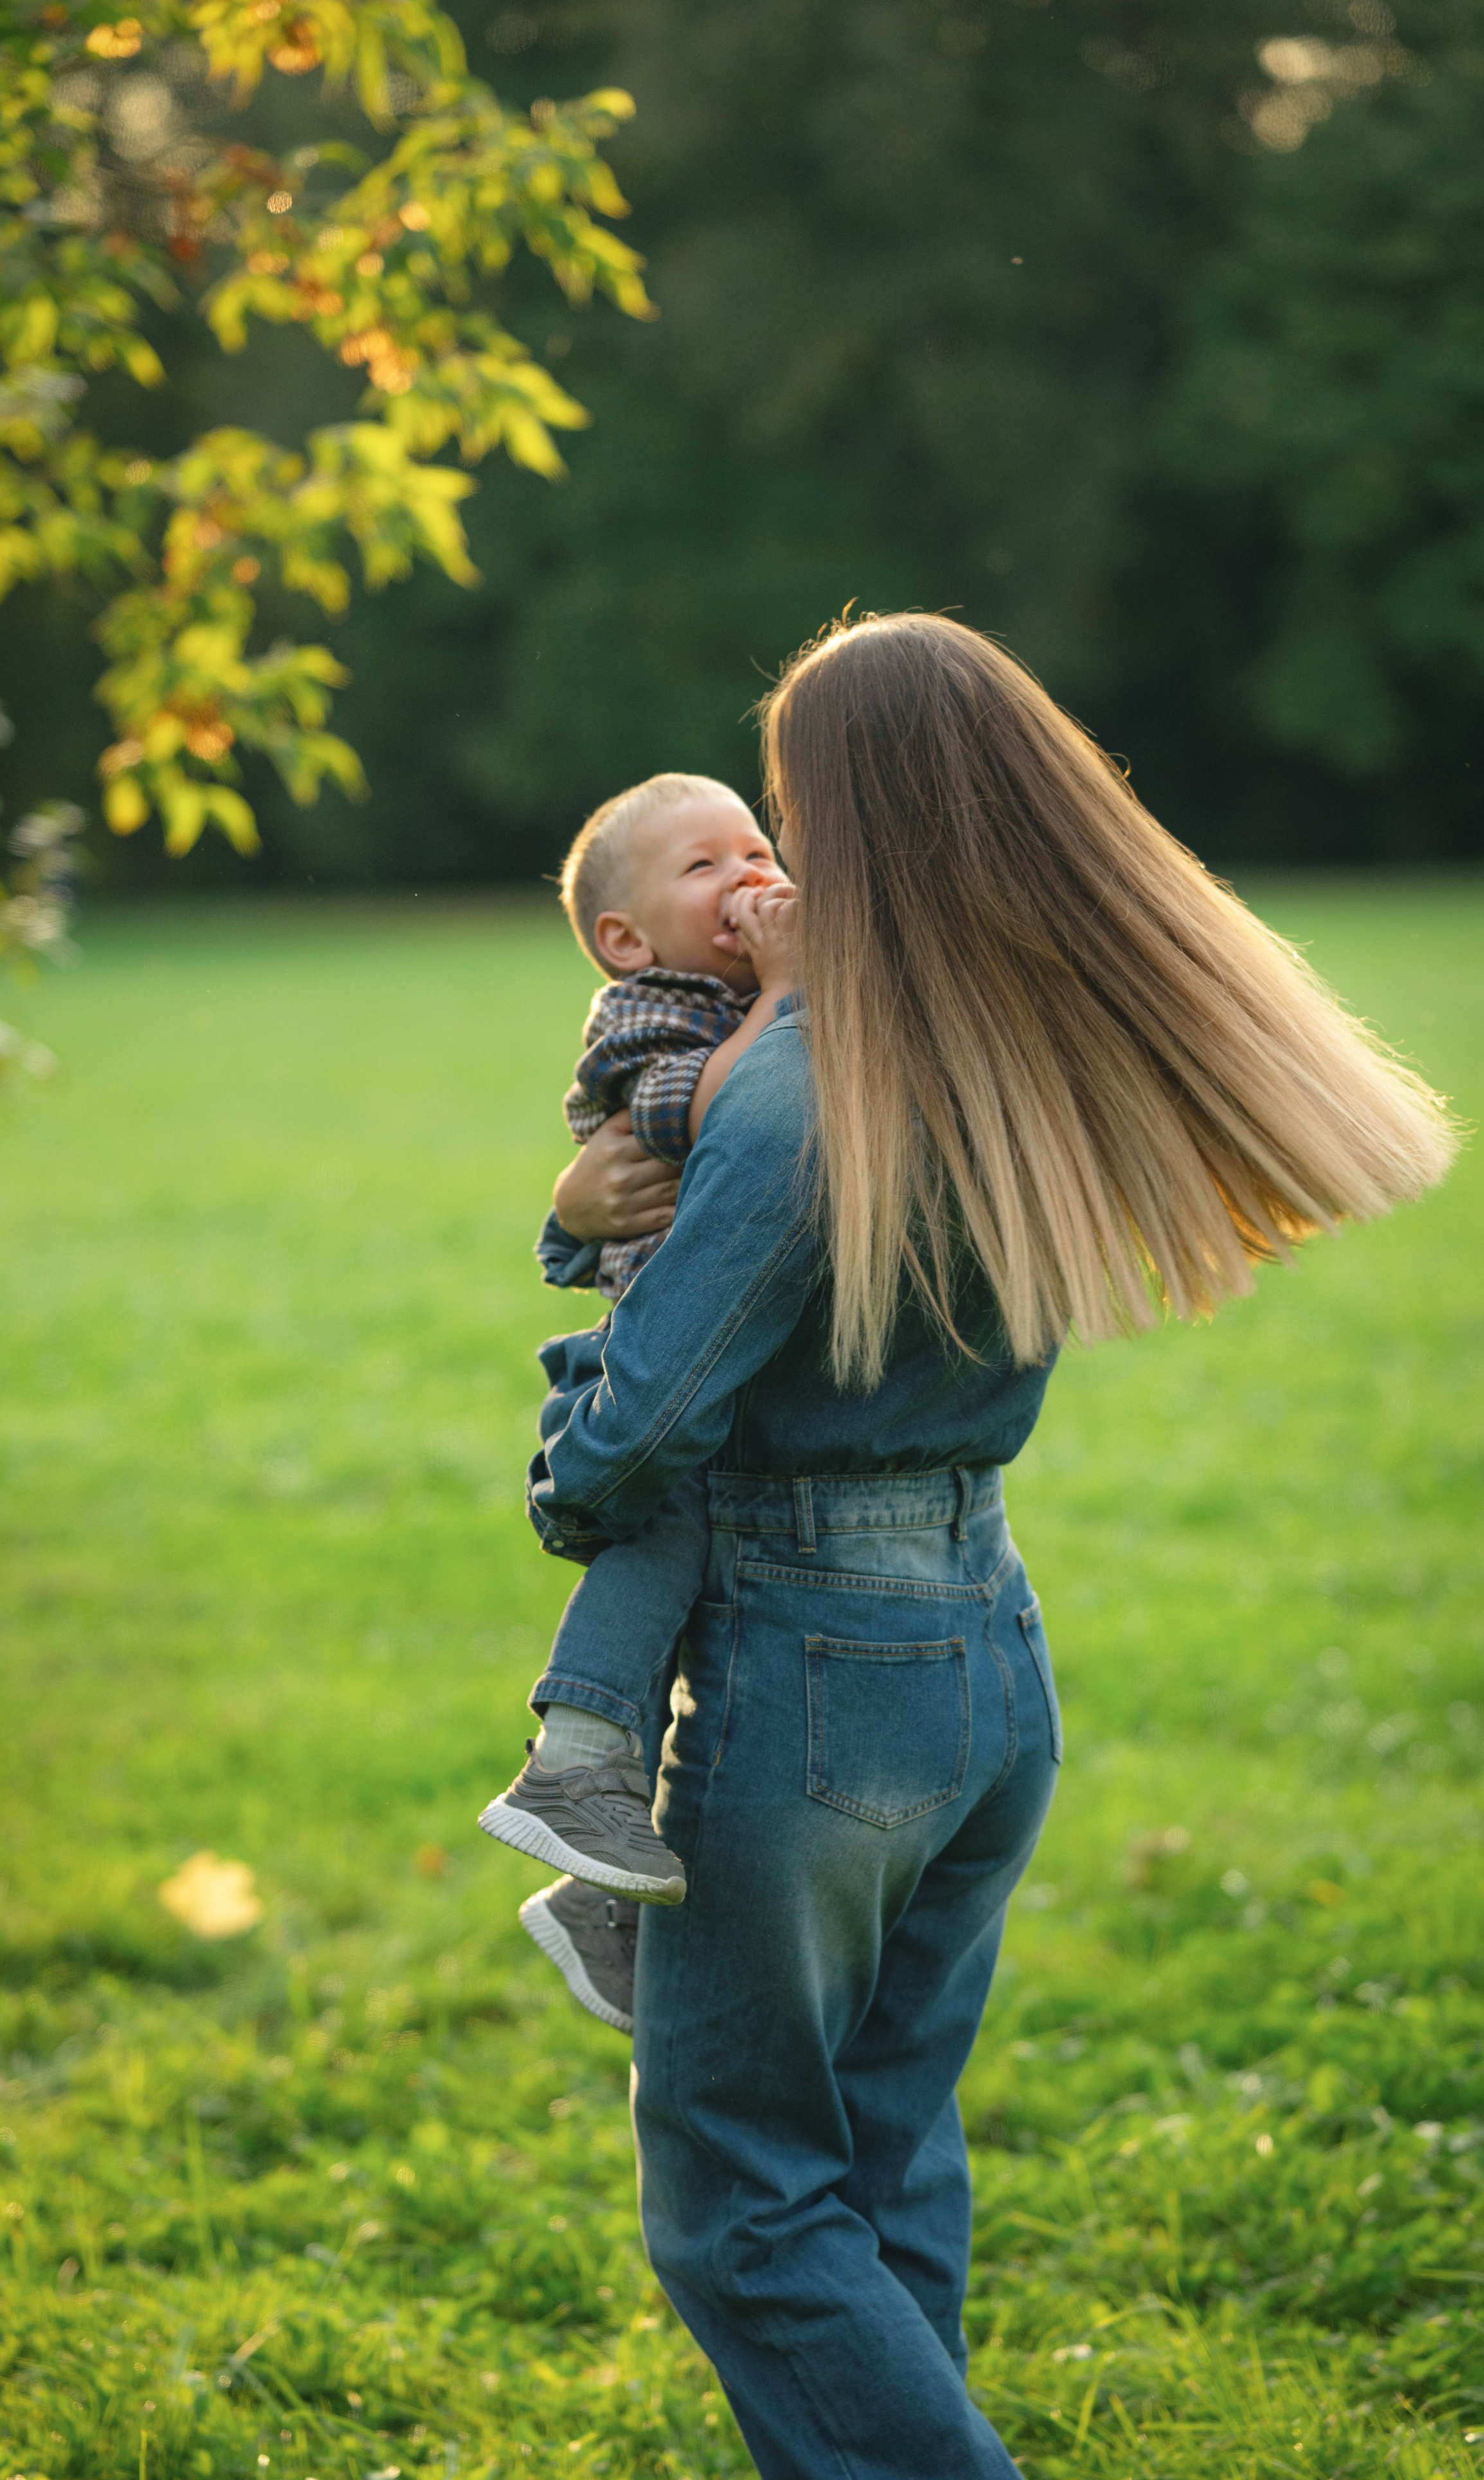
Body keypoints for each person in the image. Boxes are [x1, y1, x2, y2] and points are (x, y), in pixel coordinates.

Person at [524, 612, 1455, 2480]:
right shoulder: (1007, 1040)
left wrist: (567, 1447)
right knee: (875, 2162)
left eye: (787, 806)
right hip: (982, 1660)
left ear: (846, 817)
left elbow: (636, 1427)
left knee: (743, 2214)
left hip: (808, 1678)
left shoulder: (799, 1083)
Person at [476, 775, 797, 2024]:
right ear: (625, 938)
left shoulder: (740, 994)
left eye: (757, 850)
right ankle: (572, 1759)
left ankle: (595, 1892)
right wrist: (786, 996)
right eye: (704, 868)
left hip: (719, 1342)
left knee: (687, 1618)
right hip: (670, 1344)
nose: (749, 878)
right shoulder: (649, 1015)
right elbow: (706, 1120)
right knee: (657, 1533)